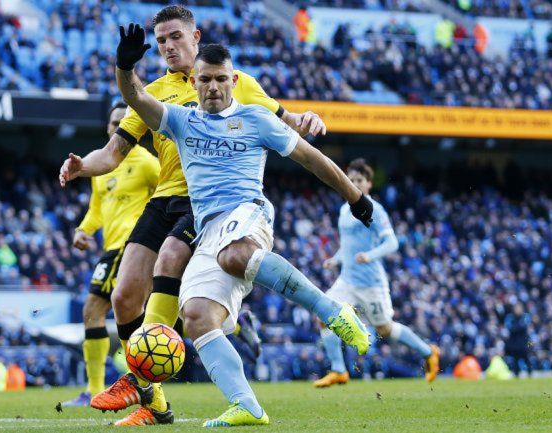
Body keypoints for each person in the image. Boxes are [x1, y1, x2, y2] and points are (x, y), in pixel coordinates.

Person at [59, 5, 326, 426]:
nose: (167, 46)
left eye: (175, 37)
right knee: (124, 298)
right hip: (163, 200)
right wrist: (81, 166)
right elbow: (112, 153)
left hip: (205, 202)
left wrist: (306, 119)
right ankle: (155, 402)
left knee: (170, 263)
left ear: (195, 37)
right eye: (160, 40)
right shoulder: (153, 93)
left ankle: (137, 377)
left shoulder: (235, 81)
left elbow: (289, 122)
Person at [114, 25, 371, 427]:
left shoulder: (256, 119)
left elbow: (312, 159)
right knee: (196, 316)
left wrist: (356, 199)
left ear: (234, 80)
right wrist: (125, 66)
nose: (213, 87)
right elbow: (136, 97)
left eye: (220, 79)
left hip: (248, 213)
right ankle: (247, 405)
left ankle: (333, 311)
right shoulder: (180, 121)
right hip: (207, 230)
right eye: (205, 80)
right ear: (194, 83)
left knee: (235, 254)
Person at [62, 102, 160, 407]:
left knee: (93, 310)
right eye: (114, 123)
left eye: (124, 122)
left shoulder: (148, 164)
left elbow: (167, 199)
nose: (118, 127)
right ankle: (233, 323)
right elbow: (96, 209)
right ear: (108, 128)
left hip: (132, 246)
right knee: (159, 313)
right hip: (112, 247)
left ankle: (96, 390)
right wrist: (84, 230)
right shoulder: (100, 168)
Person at [314, 159, 440, 388]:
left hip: (371, 283)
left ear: (369, 184)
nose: (354, 184)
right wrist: (336, 259)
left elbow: (392, 242)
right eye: (351, 180)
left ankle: (428, 352)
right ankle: (339, 370)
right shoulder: (344, 210)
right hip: (347, 280)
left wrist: (370, 255)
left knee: (385, 329)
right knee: (323, 314)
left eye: (359, 180)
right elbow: (349, 244)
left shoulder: (374, 209)